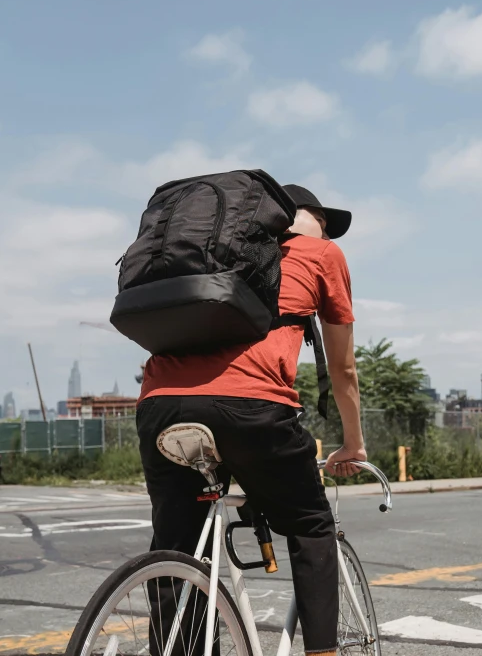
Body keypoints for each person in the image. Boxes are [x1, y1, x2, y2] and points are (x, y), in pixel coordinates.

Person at [136, 183, 367, 656]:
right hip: (252, 408)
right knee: (310, 525)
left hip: (159, 405)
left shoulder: (208, 252)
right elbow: (343, 370)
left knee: (176, 550)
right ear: (308, 218)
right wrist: (353, 443)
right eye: (325, 222)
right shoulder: (321, 254)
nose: (327, 232)